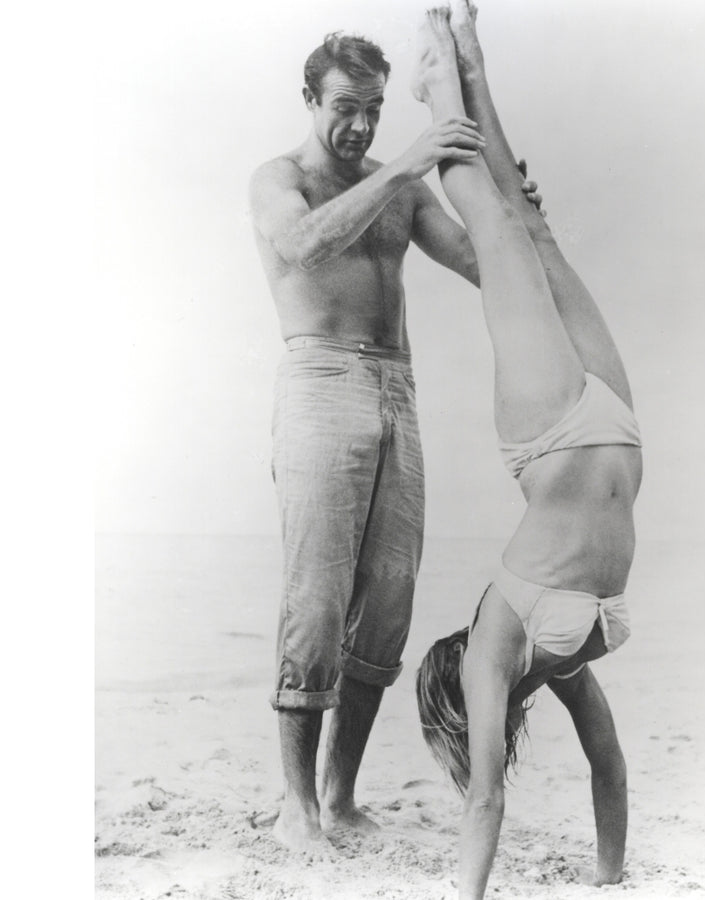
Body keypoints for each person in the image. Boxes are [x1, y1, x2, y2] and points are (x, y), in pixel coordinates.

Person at [248, 31, 542, 849]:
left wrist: (514, 212)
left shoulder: (395, 183)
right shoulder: (281, 179)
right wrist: (410, 161)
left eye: (375, 111)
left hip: (396, 388)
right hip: (320, 382)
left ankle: (341, 797)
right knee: (315, 598)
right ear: (310, 99)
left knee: (387, 602)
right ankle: (296, 804)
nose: (362, 127)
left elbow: (481, 262)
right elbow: (301, 245)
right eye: (347, 108)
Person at [413, 4, 642, 897]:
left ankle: (443, 80)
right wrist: (609, 884)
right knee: (535, 230)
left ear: (455, 687)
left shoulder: (489, 656)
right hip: (614, 425)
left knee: (501, 229)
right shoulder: (557, 667)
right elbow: (610, 767)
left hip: (549, 432)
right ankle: (472, 54)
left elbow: (483, 805)